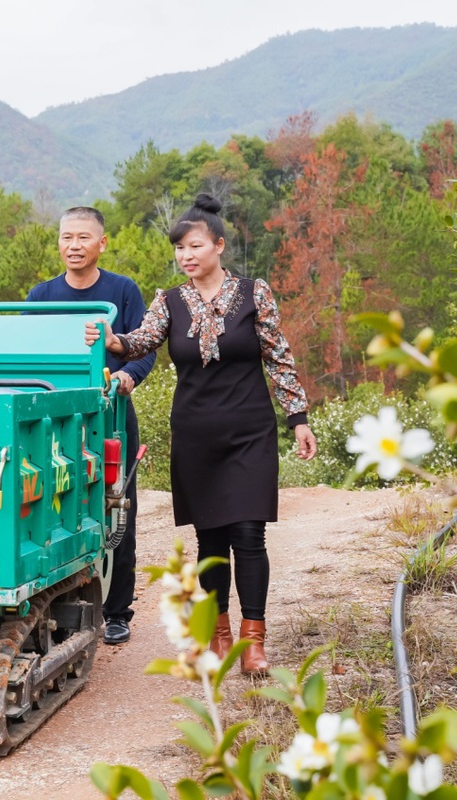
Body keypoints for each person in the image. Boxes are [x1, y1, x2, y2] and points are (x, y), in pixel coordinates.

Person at [85, 194, 317, 674]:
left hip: (250, 431)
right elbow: (141, 340)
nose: (185, 256)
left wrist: (298, 419)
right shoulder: (169, 301)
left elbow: (279, 358)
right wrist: (112, 341)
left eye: (193, 246)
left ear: (218, 245)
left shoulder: (255, 294)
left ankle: (254, 642)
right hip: (194, 435)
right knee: (210, 541)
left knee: (249, 536)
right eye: (179, 249)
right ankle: (220, 633)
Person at [27, 207, 155, 646]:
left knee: (117, 509)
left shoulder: (121, 290)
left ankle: (117, 611)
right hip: (53, 420)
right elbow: (26, 358)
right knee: (53, 508)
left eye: (83, 238)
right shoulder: (40, 296)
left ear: (102, 243)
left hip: (110, 416)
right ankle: (57, 606)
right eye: (66, 237)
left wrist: (127, 376)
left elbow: (145, 348)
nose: (73, 246)